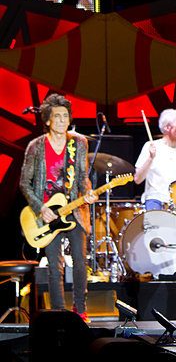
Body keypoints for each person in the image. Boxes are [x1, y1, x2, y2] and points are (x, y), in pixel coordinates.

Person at [19, 93, 98, 323]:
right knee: (55, 266)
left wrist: (88, 193)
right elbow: (25, 182)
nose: (63, 120)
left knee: (81, 262)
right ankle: (59, 314)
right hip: (47, 214)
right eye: (57, 116)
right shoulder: (36, 147)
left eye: (66, 116)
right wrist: (40, 207)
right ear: (47, 120)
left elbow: (83, 176)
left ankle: (80, 311)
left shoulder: (79, 143)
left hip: (74, 210)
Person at [134, 109, 176, 211]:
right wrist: (150, 158)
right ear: (167, 127)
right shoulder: (150, 146)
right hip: (155, 200)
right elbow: (137, 179)